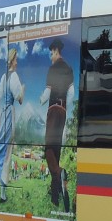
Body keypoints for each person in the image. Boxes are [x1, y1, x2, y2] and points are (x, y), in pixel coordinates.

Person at [0, 47, 24, 203]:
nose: (17, 62)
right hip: (10, 115)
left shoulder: (3, 77)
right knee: (6, 156)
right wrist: (24, 90)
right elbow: (19, 99)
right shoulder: (14, 77)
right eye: (16, 59)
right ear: (13, 60)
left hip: (3, 114)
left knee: (1, 152)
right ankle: (0, 191)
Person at [40, 39, 75, 211]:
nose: (50, 56)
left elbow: (47, 93)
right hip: (62, 111)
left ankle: (60, 172)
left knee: (48, 149)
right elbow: (72, 93)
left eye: (51, 52)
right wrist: (66, 111)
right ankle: (55, 198)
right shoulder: (69, 69)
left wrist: (40, 100)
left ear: (55, 51)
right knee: (56, 151)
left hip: (53, 110)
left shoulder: (52, 69)